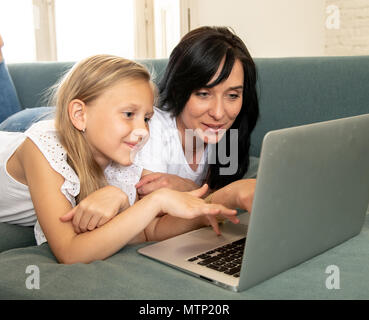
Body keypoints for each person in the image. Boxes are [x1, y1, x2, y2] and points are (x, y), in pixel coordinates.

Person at [0, 53, 239, 264]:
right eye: (128, 114)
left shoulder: (122, 158)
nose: (143, 131)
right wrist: (155, 201)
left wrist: (207, 210)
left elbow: (148, 230)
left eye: (146, 118)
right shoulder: (43, 149)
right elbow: (70, 251)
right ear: (80, 115)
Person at [134, 26, 259, 213]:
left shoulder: (228, 136)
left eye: (232, 95)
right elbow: (150, 218)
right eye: (203, 94)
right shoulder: (152, 129)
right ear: (178, 89)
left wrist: (188, 187)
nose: (218, 113)